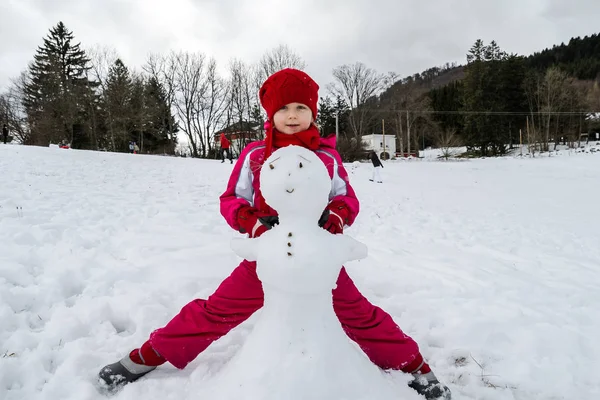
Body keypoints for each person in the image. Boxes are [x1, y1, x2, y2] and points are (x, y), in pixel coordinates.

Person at [98, 69, 451, 400]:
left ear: (312, 111)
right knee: (216, 311)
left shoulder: (326, 157)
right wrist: (252, 223)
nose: (293, 114)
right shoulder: (254, 154)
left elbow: (345, 197)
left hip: (316, 259)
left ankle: (413, 365)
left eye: (301, 107)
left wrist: (337, 218)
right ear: (271, 112)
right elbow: (231, 199)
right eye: (284, 108)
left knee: (357, 312)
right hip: (266, 257)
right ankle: (147, 355)